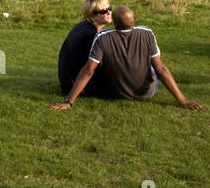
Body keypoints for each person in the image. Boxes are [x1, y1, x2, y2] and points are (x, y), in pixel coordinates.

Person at [51, 6, 201, 110]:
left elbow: (88, 71)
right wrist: (183, 100)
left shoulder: (103, 38)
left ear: (115, 23)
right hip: (146, 92)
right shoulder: (147, 34)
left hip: (116, 92)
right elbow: (161, 69)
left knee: (101, 64)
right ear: (134, 18)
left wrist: (69, 102)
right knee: (153, 65)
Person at [57, 0, 114, 95]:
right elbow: (95, 66)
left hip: (68, 80)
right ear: (92, 15)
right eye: (103, 11)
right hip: (75, 85)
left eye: (109, 8)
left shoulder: (84, 26)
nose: (109, 12)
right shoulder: (89, 35)